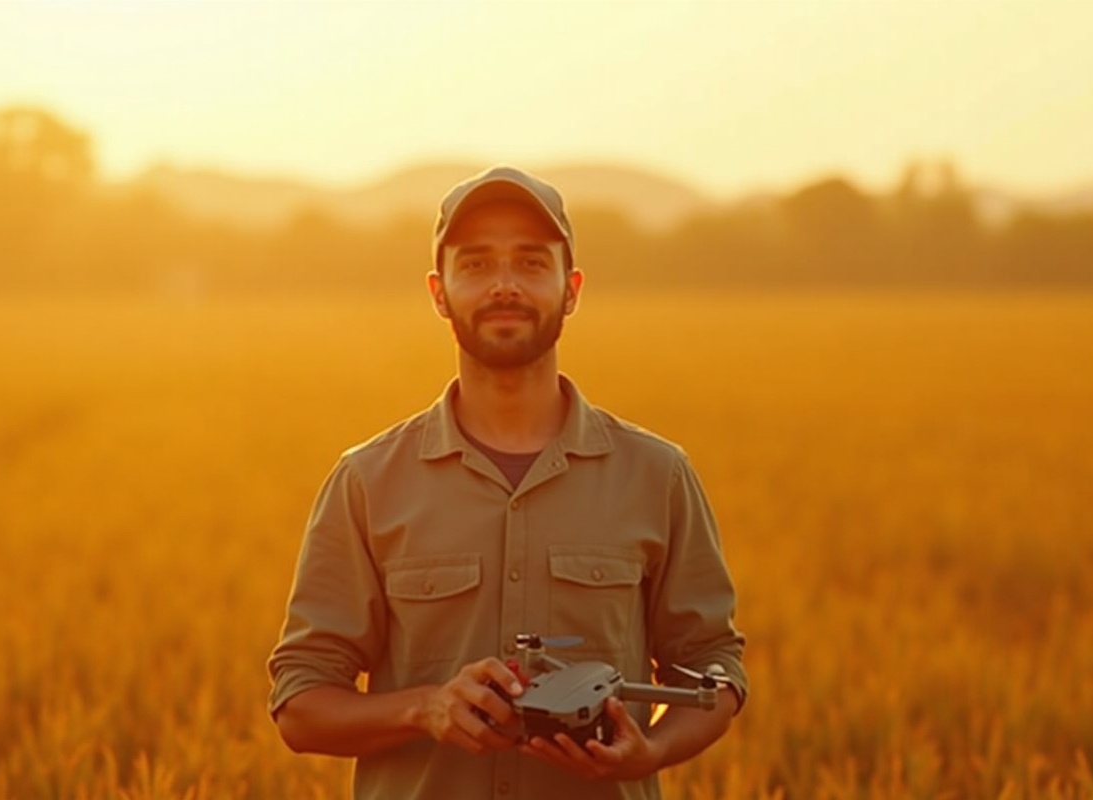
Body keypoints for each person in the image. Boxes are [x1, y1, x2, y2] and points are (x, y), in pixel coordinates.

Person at [266, 165, 747, 800]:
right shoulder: (367, 481)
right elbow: (301, 701)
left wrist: (650, 749)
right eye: (476, 265)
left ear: (571, 289)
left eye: (529, 263)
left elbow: (714, 667)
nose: (504, 286)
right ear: (439, 293)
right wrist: (426, 708)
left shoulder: (656, 475)